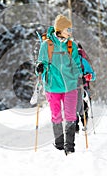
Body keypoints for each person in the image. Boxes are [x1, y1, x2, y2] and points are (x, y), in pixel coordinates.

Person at [35, 14, 82, 154]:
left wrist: (79, 76)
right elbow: (40, 62)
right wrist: (39, 67)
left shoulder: (71, 45)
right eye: (68, 29)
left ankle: (70, 145)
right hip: (52, 86)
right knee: (56, 115)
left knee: (71, 115)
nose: (70, 32)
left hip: (70, 86)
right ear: (60, 29)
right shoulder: (47, 45)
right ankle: (59, 143)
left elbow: (76, 64)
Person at [75, 44, 96, 132]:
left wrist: (88, 76)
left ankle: (82, 119)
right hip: (72, 86)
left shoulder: (82, 60)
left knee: (80, 103)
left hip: (83, 86)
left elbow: (93, 76)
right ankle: (76, 122)